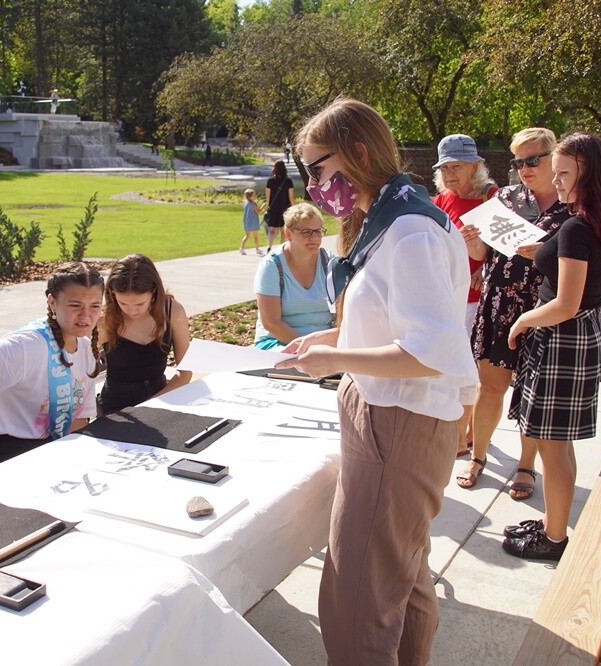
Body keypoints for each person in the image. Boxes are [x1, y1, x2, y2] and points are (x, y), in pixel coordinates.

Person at [276, 98, 477, 665]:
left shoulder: (408, 229)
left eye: (318, 168)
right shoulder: (391, 218)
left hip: (398, 424)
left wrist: (339, 360)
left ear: (358, 152)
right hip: (389, 416)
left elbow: (427, 351)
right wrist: (328, 343)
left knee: (358, 600)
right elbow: (392, 320)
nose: (314, 186)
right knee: (402, 578)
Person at [501, 132, 601, 561]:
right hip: (582, 334)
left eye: (564, 172)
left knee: (551, 444)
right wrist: (543, 250)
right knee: (559, 443)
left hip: (562, 338)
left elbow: (566, 303)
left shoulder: (579, 227)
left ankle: (555, 539)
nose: (556, 181)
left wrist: (522, 321)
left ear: (588, 172)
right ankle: (553, 522)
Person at [455, 127, 570, 497]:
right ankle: (480, 456)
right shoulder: (505, 198)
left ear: (555, 157)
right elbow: (482, 258)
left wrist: (545, 253)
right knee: (490, 387)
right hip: (498, 303)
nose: (525, 168)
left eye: (533, 160)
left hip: (541, 307)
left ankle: (526, 466)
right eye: (519, 161)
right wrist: (473, 244)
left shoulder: (573, 205)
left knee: (531, 394)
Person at [0, 263, 104, 479]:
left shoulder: (85, 347)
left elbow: (79, 418)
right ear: (52, 302)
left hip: (48, 451)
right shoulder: (27, 346)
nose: (85, 315)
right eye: (75, 305)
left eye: (94, 306)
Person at [431, 134, 498, 457]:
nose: (449, 174)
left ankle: (461, 435)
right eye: (444, 168)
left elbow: (504, 249)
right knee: (449, 362)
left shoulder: (492, 197)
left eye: (456, 166)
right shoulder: (440, 200)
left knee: (467, 366)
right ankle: (458, 426)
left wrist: (480, 261)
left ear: (475, 166)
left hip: (476, 298)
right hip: (447, 293)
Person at [96, 254, 192, 414]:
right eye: (123, 303)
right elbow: (79, 375)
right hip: (116, 410)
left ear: (154, 291)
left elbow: (185, 373)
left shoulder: (172, 311)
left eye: (140, 303)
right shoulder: (105, 320)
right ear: (112, 294)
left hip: (162, 401)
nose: (132, 310)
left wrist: (150, 406)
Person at [253, 202, 333, 349]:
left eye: (318, 231)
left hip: (324, 344)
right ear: (288, 233)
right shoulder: (271, 267)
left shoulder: (330, 263)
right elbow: (271, 323)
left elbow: (343, 315)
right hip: (279, 342)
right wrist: (308, 349)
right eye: (307, 232)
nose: (314, 238)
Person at [264, 160, 296, 252]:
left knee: (273, 230)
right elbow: (291, 197)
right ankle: (281, 249)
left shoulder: (270, 181)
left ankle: (269, 246)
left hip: (273, 208)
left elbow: (268, 196)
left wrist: (267, 206)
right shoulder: (288, 181)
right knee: (283, 230)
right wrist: (294, 208)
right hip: (285, 209)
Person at [239, 189, 264, 256]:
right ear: (250, 197)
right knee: (255, 237)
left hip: (246, 222)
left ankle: (242, 248)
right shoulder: (253, 204)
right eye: (253, 195)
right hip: (253, 222)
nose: (255, 196)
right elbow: (258, 212)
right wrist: (263, 207)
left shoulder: (246, 204)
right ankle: (257, 249)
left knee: (247, 236)